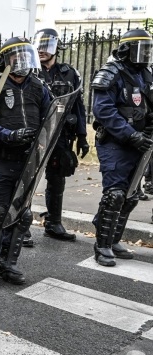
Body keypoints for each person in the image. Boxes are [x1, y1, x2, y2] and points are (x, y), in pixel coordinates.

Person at [0, 37, 51, 291]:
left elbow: (51, 120)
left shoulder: (39, 87)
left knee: (22, 213)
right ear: (6, 60)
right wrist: (9, 136)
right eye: (16, 58)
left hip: (29, 162)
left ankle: (8, 262)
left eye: (26, 56)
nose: (22, 62)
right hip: (2, 158)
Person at [91, 29, 153, 267]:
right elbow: (104, 111)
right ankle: (102, 246)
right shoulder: (111, 72)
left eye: (149, 49)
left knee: (131, 196)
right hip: (115, 143)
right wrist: (130, 135)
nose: (146, 54)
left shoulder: (146, 74)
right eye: (142, 48)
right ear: (127, 49)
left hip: (141, 142)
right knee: (115, 194)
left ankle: (113, 239)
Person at [31, 28, 88, 242]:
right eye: (39, 45)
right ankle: (20, 225)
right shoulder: (29, 70)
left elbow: (78, 107)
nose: (42, 50)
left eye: (47, 45)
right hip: (34, 134)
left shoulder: (69, 73)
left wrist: (82, 136)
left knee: (57, 179)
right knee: (25, 179)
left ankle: (53, 222)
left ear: (56, 48)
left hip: (62, 135)